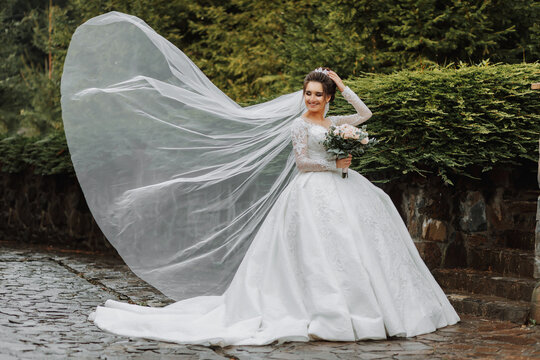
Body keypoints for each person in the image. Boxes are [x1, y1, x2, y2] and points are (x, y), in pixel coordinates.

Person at [62, 12, 460, 346]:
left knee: (360, 243)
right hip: (313, 191)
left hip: (344, 188)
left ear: (328, 98)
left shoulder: (336, 120)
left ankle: (375, 310)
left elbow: (366, 116)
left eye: (318, 94)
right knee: (320, 254)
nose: (312, 100)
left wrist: (342, 85)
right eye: (308, 93)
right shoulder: (300, 126)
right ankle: (333, 314)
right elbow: (303, 164)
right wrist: (337, 165)